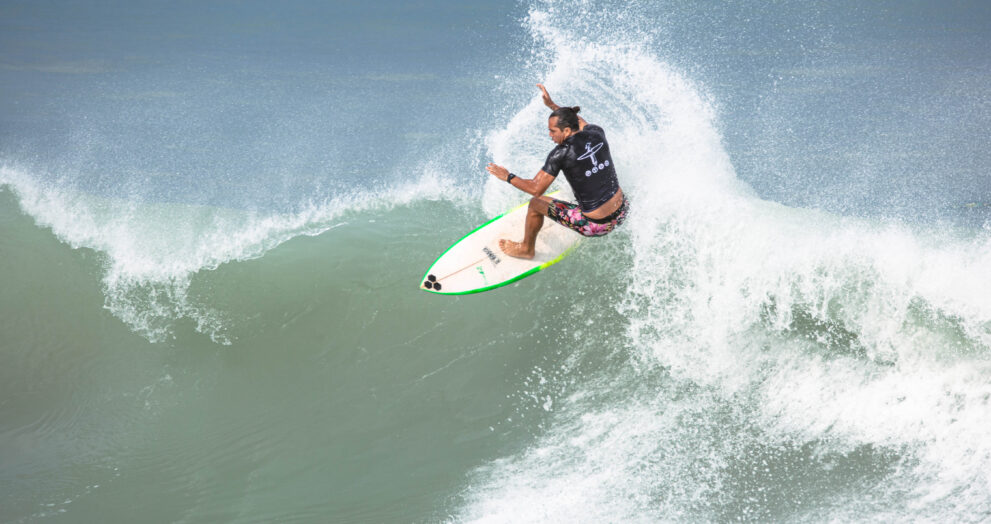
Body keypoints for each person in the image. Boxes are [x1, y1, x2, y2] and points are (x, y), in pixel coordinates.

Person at [486, 84, 628, 259]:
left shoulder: (561, 153)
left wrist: (507, 176)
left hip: (596, 225)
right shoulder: (596, 132)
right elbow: (578, 120)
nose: (550, 135)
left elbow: (536, 189)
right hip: (622, 212)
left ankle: (526, 249)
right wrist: (552, 105)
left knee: (535, 204)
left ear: (566, 130)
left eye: (552, 131)